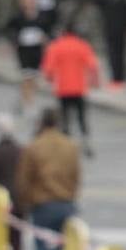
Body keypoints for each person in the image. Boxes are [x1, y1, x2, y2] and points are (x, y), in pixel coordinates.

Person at [14, 107, 81, 250]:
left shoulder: (34, 147)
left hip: (43, 203)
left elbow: (24, 179)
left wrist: (23, 203)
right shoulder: (70, 146)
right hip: (66, 202)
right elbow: (76, 175)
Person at [41, 24, 100, 156]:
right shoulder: (82, 45)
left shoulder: (56, 46)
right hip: (79, 88)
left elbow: (48, 69)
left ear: (63, 32)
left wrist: (50, 79)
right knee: (81, 117)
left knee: (64, 118)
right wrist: (94, 81)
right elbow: (92, 65)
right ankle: (86, 143)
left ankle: (65, 145)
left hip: (63, 88)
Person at [5, 0, 50, 115]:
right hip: (24, 51)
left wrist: (45, 40)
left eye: (32, 0)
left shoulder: (41, 17)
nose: (29, 3)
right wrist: (14, 41)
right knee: (26, 77)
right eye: (27, 0)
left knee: (34, 78)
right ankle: (27, 104)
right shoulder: (18, 17)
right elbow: (8, 29)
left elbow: (47, 32)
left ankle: (25, 100)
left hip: (36, 51)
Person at [96, 0, 126, 89]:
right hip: (120, 31)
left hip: (111, 31)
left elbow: (97, 1)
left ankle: (116, 78)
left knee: (113, 55)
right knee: (120, 55)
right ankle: (120, 77)